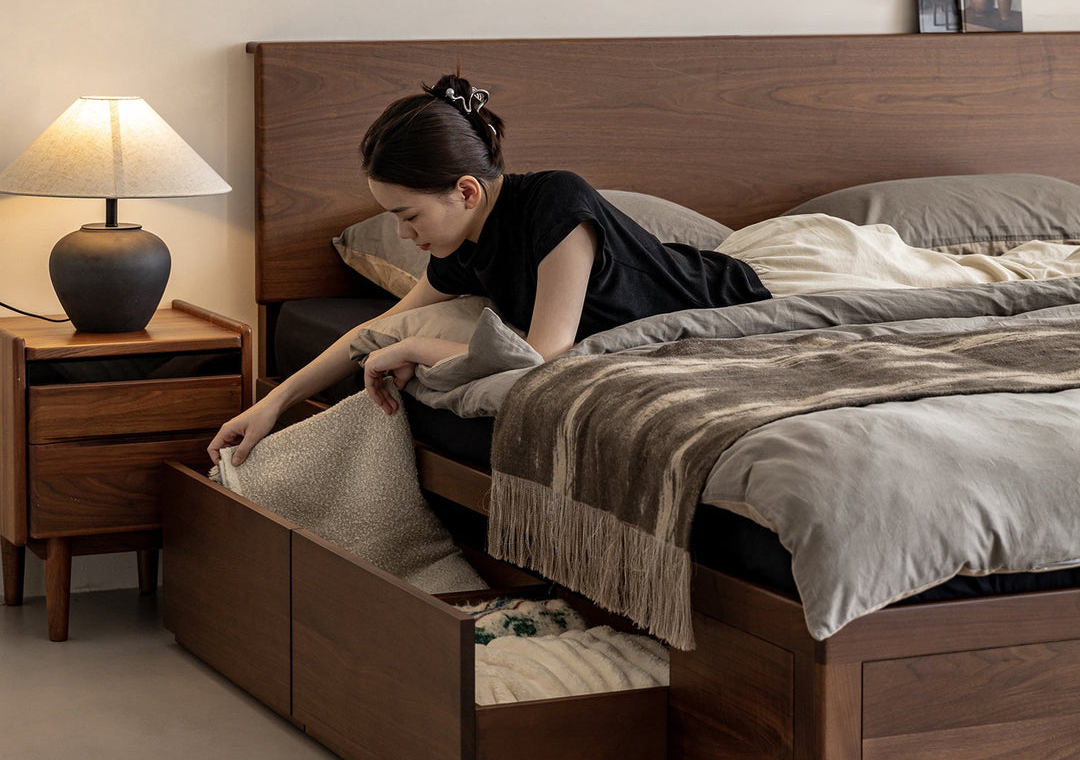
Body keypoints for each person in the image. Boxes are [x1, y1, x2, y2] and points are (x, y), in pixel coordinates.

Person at [208, 72, 770, 467]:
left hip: (719, 298)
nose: (404, 235)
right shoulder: (462, 248)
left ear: (467, 190)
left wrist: (416, 350)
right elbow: (375, 328)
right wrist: (271, 405)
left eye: (408, 216)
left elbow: (544, 356)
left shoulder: (556, 203)